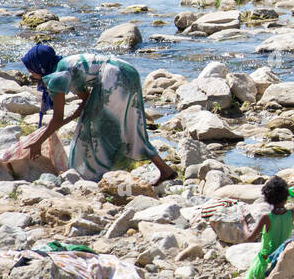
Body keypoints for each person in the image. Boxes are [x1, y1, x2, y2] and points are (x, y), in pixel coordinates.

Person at [21, 45, 177, 184]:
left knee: (100, 127)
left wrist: (38, 143)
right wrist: (72, 117)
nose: (29, 74)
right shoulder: (64, 66)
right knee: (130, 127)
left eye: (30, 69)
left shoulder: (57, 77)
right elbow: (86, 100)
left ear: (40, 66)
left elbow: (57, 118)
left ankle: (101, 173)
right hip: (126, 70)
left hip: (113, 77)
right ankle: (165, 170)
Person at [237, 176, 294, 279]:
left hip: (264, 261)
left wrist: (243, 224)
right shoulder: (291, 214)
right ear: (286, 197)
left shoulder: (267, 217)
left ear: (268, 199)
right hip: (280, 259)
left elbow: (249, 238)